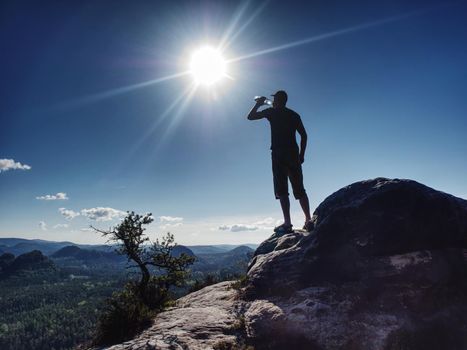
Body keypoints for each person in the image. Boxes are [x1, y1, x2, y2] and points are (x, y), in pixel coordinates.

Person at [247, 90, 313, 233]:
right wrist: (302, 155)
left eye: (275, 99)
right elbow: (304, 135)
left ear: (277, 100)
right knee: (299, 188)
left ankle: (288, 223)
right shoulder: (294, 115)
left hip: (278, 153)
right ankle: (308, 220)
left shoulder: (272, 112)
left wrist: (258, 104)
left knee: (282, 189)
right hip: (293, 153)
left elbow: (250, 117)